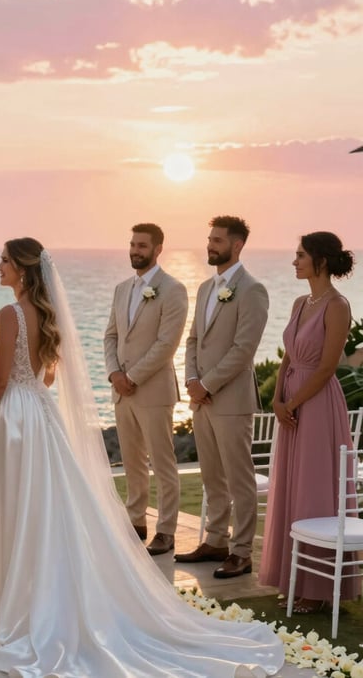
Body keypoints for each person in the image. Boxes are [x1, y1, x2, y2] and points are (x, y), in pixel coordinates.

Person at [0, 237, 283, 677]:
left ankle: (12, 599)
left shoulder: (9, 314)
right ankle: (34, 595)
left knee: (13, 507)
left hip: (14, 419)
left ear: (23, 269)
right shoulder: (46, 316)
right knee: (43, 510)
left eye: (5, 261)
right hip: (39, 416)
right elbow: (47, 378)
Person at [259, 232, 360, 612]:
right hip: (291, 401)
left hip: (317, 404)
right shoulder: (301, 302)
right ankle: (293, 576)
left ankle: (317, 589)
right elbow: (289, 356)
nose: (294, 261)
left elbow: (328, 366)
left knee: (314, 487)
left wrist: (295, 402)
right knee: (290, 485)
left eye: (300, 255)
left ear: (319, 260)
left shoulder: (337, 305)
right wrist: (277, 398)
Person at [176, 216, 269, 579]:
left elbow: (244, 349)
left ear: (238, 245)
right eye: (209, 238)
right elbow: (193, 340)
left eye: (217, 240)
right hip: (202, 399)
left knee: (238, 479)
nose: (210, 245)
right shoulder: (204, 288)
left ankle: (241, 552)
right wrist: (192, 379)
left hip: (231, 402)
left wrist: (208, 384)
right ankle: (215, 541)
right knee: (212, 477)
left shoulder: (253, 290)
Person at [103, 223, 188, 555]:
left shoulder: (173, 289)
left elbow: (167, 344)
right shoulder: (122, 288)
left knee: (163, 463)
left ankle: (166, 530)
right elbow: (111, 335)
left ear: (157, 249)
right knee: (132, 461)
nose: (135, 250)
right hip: (121, 391)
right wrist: (113, 374)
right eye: (132, 244)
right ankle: (136, 520)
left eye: (142, 245)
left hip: (152, 391)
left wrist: (132, 377)